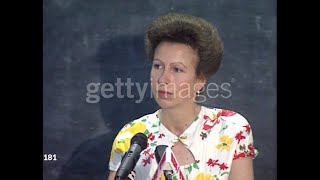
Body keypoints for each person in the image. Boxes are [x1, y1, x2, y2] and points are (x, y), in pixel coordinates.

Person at [107, 13, 258, 180]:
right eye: (158, 66)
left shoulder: (231, 129)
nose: (163, 79)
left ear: (200, 79)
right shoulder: (132, 136)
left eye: (177, 69)